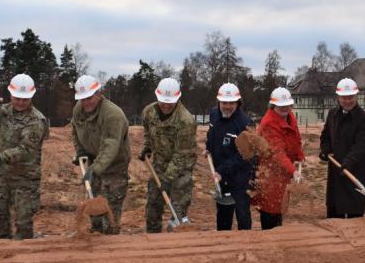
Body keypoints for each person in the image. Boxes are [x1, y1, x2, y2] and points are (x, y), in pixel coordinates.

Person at [0, 74, 49, 239]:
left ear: (32, 96)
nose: (21, 102)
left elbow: (26, 150)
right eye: (17, 98)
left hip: (26, 178)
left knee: (23, 222)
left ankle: (25, 253)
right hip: (5, 175)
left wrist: (0, 157)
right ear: (11, 94)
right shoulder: (3, 111)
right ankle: (3, 251)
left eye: (25, 99)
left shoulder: (37, 120)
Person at [71, 74, 131, 234]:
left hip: (114, 168)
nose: (86, 103)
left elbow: (110, 147)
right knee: (94, 210)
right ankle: (95, 238)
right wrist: (80, 151)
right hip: (94, 163)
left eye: (89, 98)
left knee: (110, 212)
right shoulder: (79, 110)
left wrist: (94, 169)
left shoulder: (113, 115)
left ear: (98, 93)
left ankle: (111, 245)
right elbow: (75, 131)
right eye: (82, 99)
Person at [140, 78, 197, 233]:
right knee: (153, 205)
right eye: (162, 101)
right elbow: (147, 130)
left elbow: (181, 154)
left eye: (169, 102)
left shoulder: (186, 121)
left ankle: (176, 242)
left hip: (181, 169)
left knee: (177, 210)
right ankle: (152, 239)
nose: (165, 105)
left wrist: (167, 179)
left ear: (178, 98)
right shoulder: (149, 112)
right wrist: (147, 147)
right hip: (159, 165)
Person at [319, 78, 365, 219]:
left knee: (354, 213)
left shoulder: (364, 119)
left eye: (351, 97)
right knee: (334, 212)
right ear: (338, 97)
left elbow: (361, 145)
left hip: (355, 171)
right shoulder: (332, 114)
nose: (348, 101)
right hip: (336, 171)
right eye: (344, 98)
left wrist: (348, 162)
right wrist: (325, 149)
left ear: (356, 96)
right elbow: (325, 136)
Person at [253, 87, 304, 229]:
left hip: (284, 172)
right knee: (270, 207)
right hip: (270, 172)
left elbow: (296, 138)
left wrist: (300, 155)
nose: (284, 108)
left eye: (287, 105)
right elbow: (277, 153)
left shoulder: (290, 117)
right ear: (273, 105)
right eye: (280, 106)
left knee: (280, 206)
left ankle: (278, 232)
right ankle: (269, 237)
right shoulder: (269, 123)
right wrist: (293, 171)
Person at [206, 83, 254, 231]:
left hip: (240, 177)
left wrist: (221, 170)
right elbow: (211, 134)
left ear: (238, 103)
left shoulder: (244, 124)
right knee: (223, 214)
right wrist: (208, 148)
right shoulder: (214, 114)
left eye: (231, 103)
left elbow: (243, 155)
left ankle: (245, 243)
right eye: (224, 103)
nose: (227, 106)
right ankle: (224, 242)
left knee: (242, 214)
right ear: (219, 102)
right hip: (221, 176)